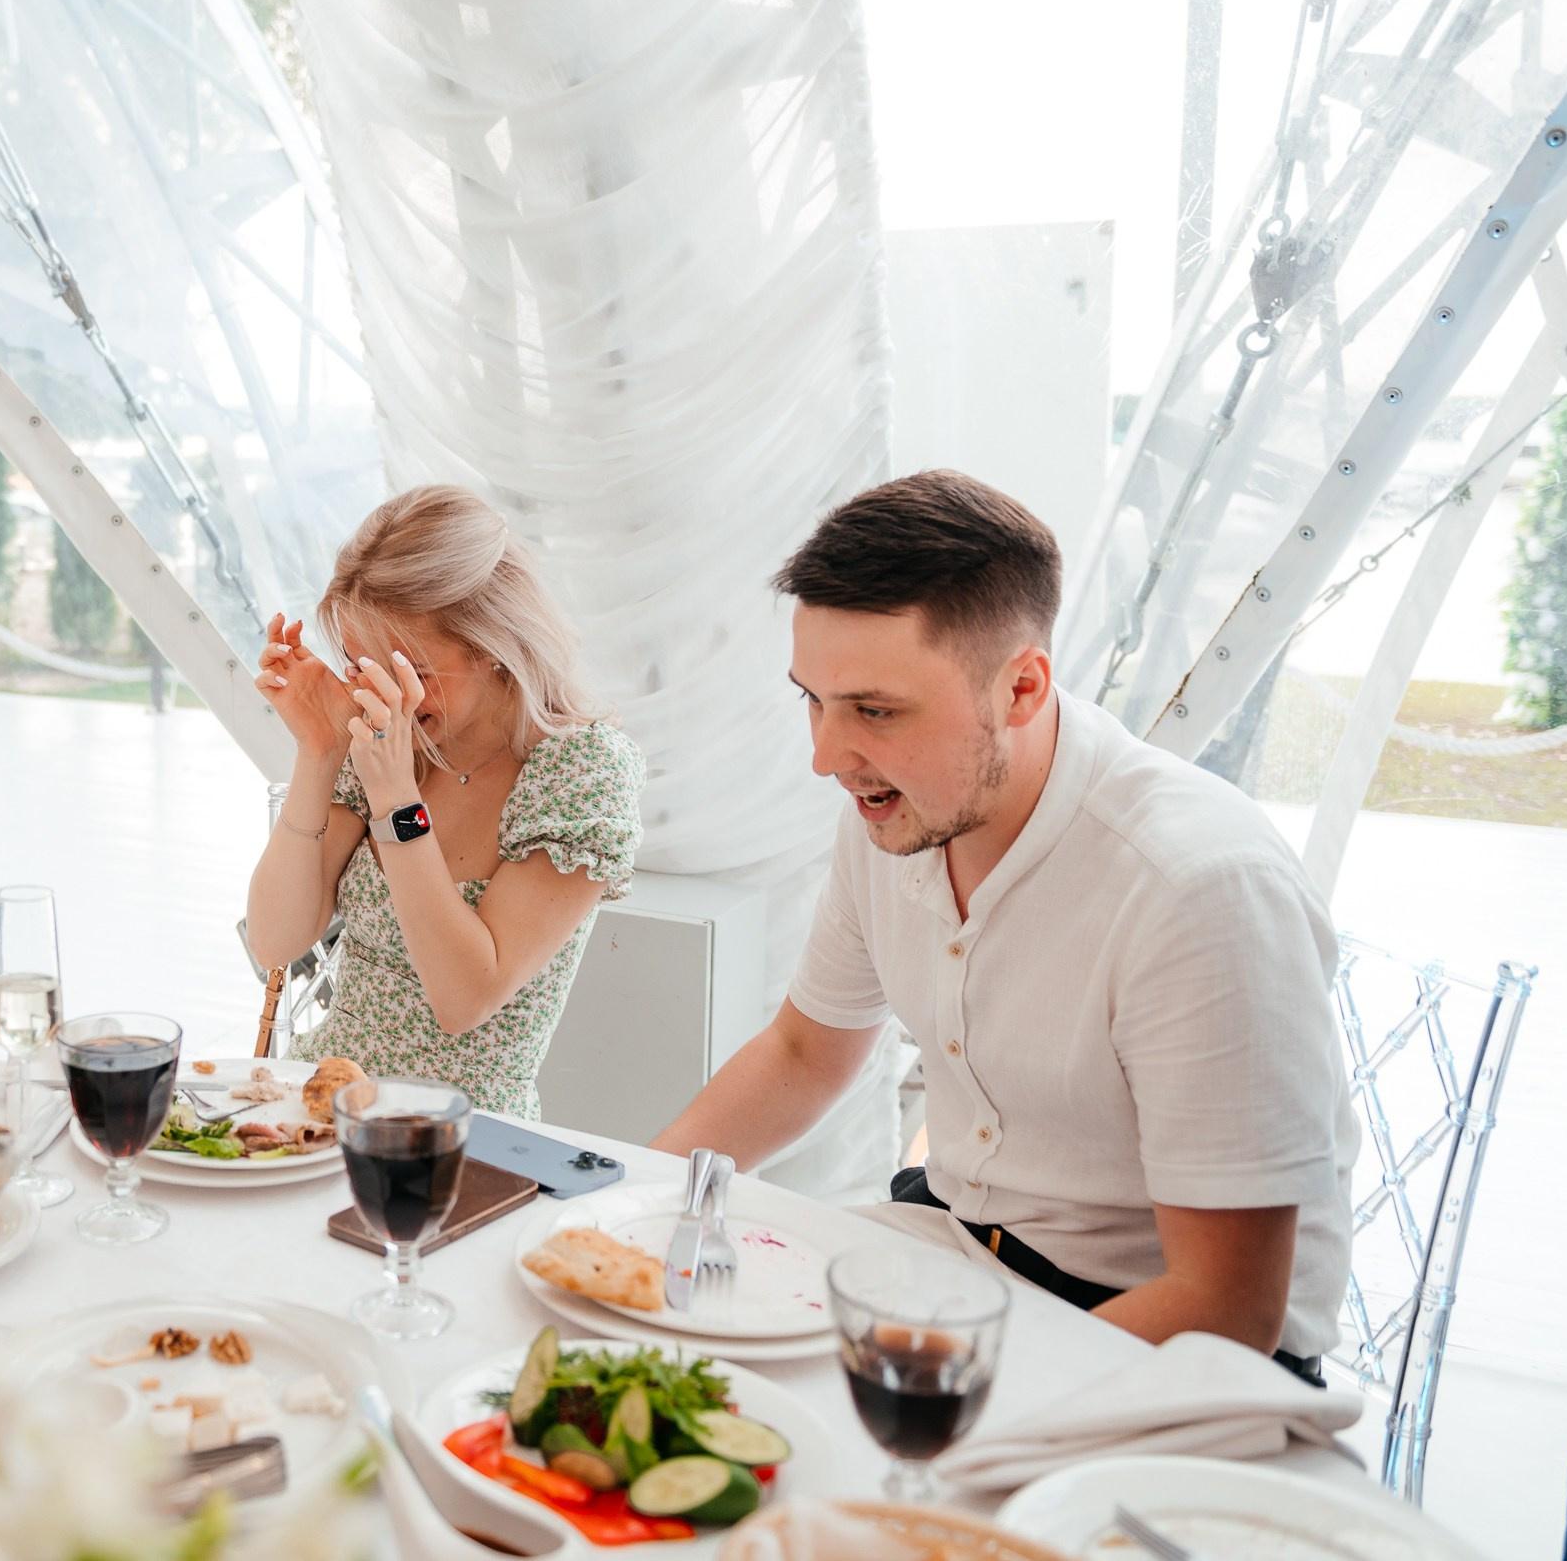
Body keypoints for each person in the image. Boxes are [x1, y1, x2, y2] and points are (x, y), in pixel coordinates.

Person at [654, 470, 1356, 1376]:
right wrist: (628, 1196)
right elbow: (802, 1055)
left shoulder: (1197, 888)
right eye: (813, 701)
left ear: (1022, 686)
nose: (827, 756)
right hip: (955, 1248)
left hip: (1169, 1338)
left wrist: (942, 1383)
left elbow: (1226, 1306)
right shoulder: (895, 810)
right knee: (662, 1354)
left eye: (875, 710)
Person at [244, 485, 646, 1119]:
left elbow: (464, 999)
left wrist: (396, 801)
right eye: (360, 666)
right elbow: (274, 941)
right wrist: (318, 752)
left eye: (410, 669)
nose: (385, 694)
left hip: (462, 1137)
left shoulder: (581, 772)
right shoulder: (388, 741)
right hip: (319, 1109)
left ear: (490, 645)